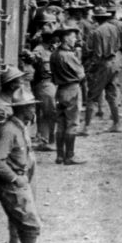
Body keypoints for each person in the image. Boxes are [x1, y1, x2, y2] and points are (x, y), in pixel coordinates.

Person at [0, 89, 42, 243]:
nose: (34, 111)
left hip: (22, 179)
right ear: (23, 110)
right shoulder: (9, 130)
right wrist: (15, 178)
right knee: (31, 227)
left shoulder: (20, 127)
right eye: (31, 108)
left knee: (19, 225)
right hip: (12, 184)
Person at [81, 6, 122, 134]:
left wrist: (91, 68)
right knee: (112, 94)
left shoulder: (96, 32)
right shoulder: (115, 28)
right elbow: (118, 46)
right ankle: (117, 124)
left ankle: (86, 127)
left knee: (92, 96)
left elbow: (97, 54)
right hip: (115, 62)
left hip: (103, 64)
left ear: (96, 18)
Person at [50, 23, 87, 165]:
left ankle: (59, 155)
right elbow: (81, 75)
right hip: (72, 89)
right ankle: (69, 156)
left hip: (59, 90)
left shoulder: (54, 54)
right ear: (65, 39)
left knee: (60, 123)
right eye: (72, 37)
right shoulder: (69, 55)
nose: (75, 39)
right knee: (72, 123)